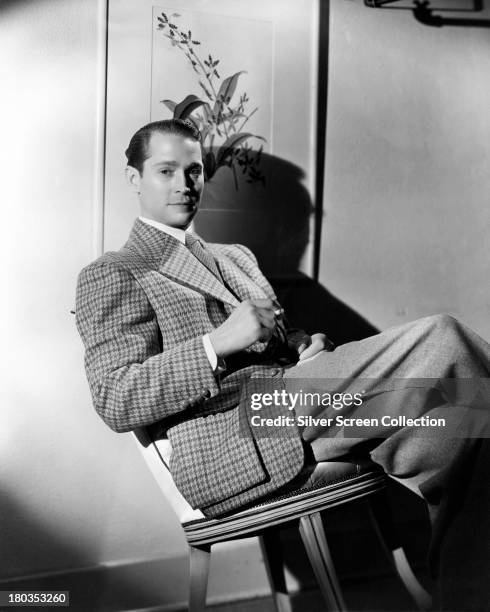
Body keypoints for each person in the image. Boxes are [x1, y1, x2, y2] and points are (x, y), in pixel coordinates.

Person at [76, 119, 489, 610]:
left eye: (193, 171)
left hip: (295, 400)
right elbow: (116, 398)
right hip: (239, 427)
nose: (184, 185)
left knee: (467, 432)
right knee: (444, 337)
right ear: (133, 179)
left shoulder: (236, 258)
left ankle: (468, 597)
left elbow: (278, 337)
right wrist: (216, 344)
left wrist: (306, 347)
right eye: (166, 171)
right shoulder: (114, 273)